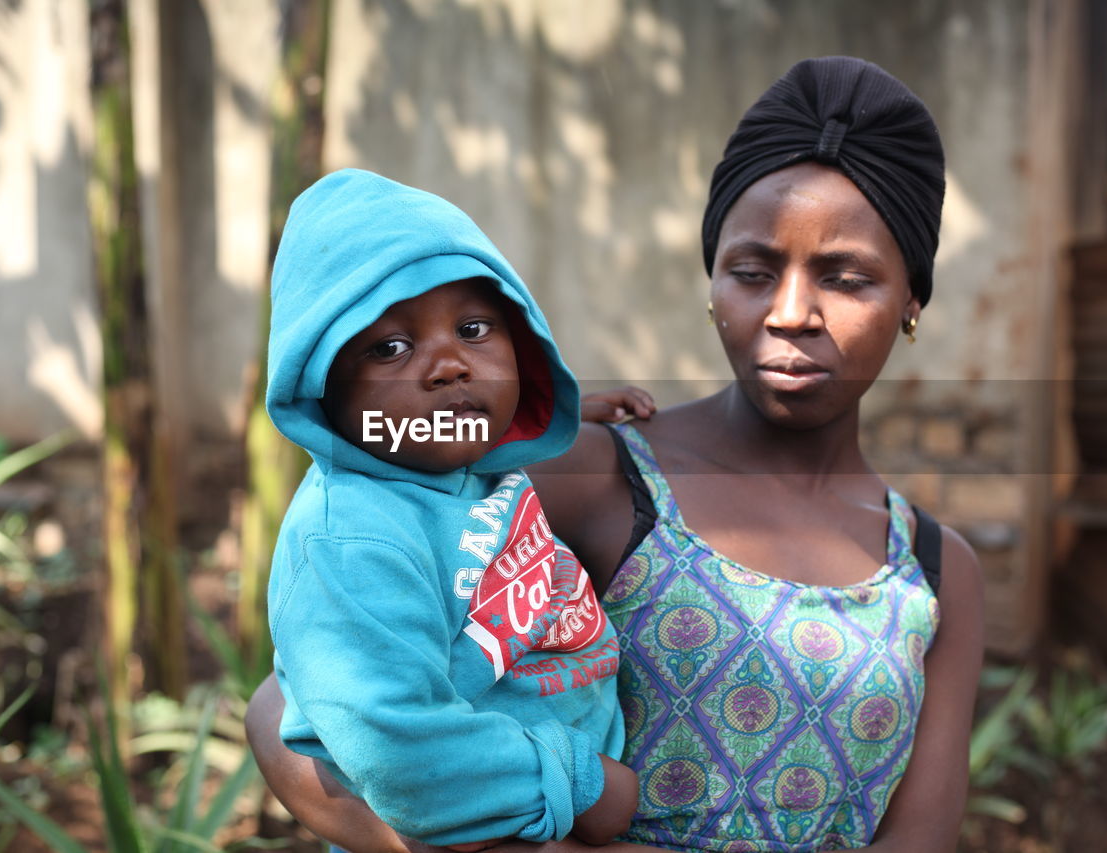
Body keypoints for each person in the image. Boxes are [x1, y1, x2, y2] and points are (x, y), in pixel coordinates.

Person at [247, 56, 984, 853]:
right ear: (713, 281)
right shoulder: (593, 478)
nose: (791, 312)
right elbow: (302, 710)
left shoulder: (935, 570)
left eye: (846, 278)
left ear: (912, 298)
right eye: (753, 271)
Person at [262, 168, 640, 849]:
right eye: (390, 347)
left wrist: (583, 416)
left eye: (473, 328)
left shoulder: (461, 467)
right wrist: (578, 781)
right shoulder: (354, 538)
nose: (448, 366)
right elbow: (399, 744)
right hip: (505, 821)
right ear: (321, 386)